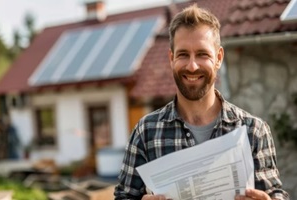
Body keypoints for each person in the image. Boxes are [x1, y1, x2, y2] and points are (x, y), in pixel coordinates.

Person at [114, 4, 289, 200]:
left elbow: (275, 194)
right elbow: (124, 196)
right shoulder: (146, 131)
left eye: (202, 54)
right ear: (171, 59)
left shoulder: (254, 131)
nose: (192, 65)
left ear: (219, 58)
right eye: (183, 55)